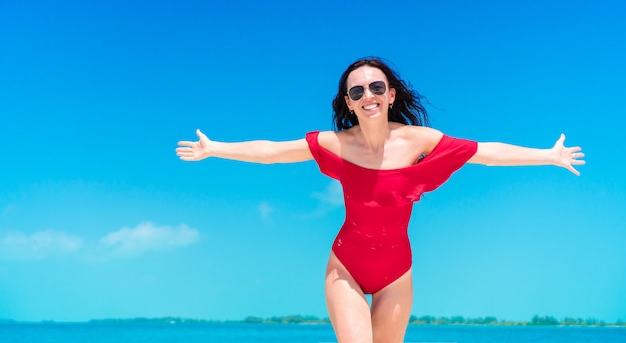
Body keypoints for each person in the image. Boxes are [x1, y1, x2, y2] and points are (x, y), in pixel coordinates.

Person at [176, 57, 585, 343]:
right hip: (346, 268)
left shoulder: (420, 141)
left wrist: (547, 156)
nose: (368, 94)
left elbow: (485, 152)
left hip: (396, 274)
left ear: (390, 95)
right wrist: (216, 148)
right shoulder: (336, 143)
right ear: (349, 102)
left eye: (376, 86)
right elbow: (273, 151)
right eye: (358, 90)